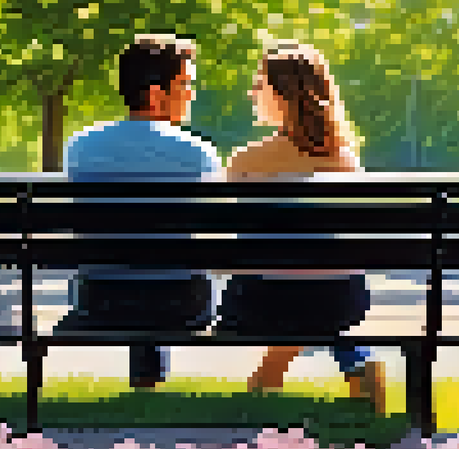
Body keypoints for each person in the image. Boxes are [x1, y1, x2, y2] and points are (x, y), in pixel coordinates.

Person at [210, 42, 385, 412]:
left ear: (283, 95)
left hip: (259, 304)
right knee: (318, 297)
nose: (252, 93)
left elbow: (225, 240)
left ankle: (270, 381)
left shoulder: (247, 160)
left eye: (259, 84)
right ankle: (356, 360)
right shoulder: (344, 159)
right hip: (342, 302)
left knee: (278, 292)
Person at [58, 34, 221, 390]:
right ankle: (149, 383)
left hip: (98, 304)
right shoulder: (198, 153)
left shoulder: (80, 147)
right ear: (154, 93)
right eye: (185, 84)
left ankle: (146, 383)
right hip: (182, 308)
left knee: (138, 268)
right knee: (164, 270)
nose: (192, 93)